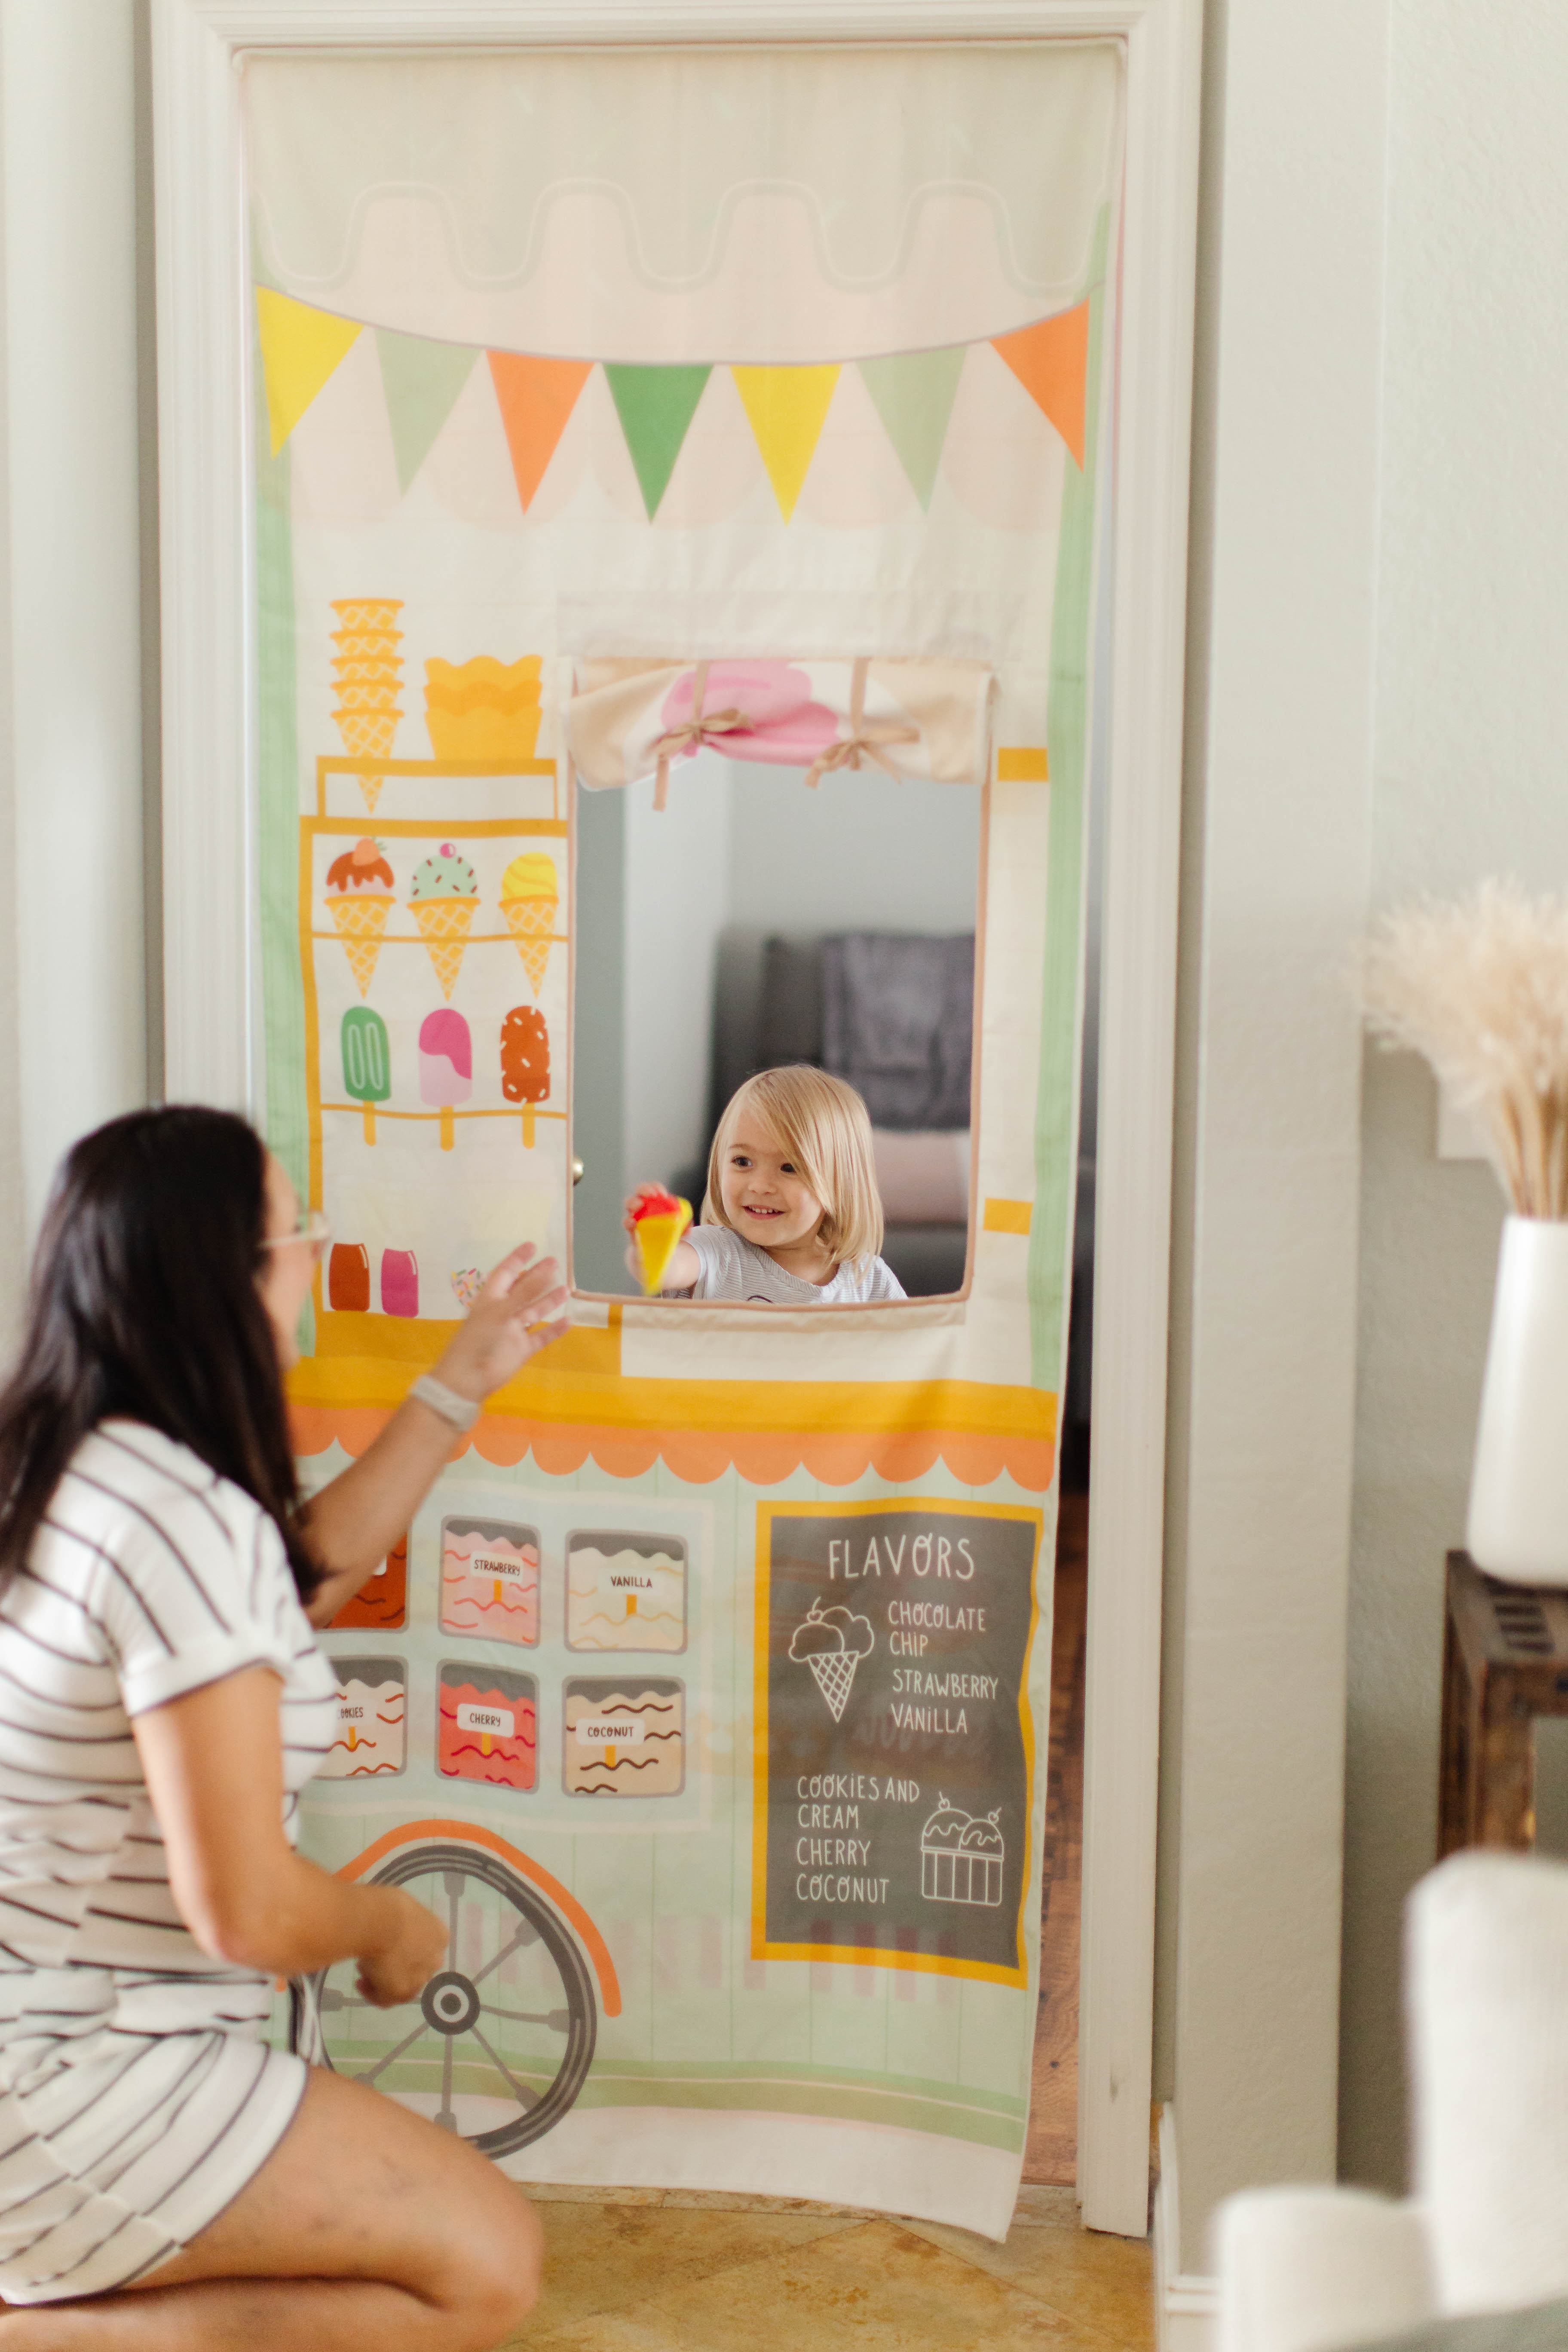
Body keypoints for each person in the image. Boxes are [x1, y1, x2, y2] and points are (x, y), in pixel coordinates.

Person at [0, 1106, 569, 2349]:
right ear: (232, 1274)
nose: (313, 1253)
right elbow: (249, 1914)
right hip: (57, 2074)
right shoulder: (176, 1517)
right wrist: (390, 1922)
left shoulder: (83, 1465)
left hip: (43, 2041)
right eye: (298, 1231)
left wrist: (456, 1381)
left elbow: (304, 1567)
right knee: (486, 2267)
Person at [625, 1064, 906, 1304]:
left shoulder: (869, 1281)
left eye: (789, 1168)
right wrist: (653, 1244)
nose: (759, 1186)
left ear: (840, 1184)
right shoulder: (716, 1251)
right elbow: (665, 1270)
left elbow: (916, 1348)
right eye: (743, 1162)